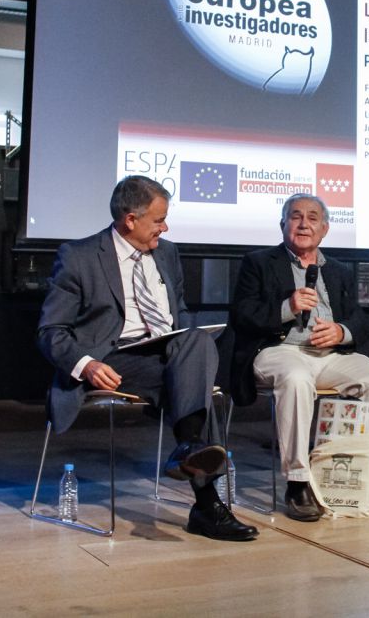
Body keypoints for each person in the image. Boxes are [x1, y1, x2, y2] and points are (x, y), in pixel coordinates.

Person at [37, 176, 257, 541]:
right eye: (159, 220)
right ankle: (206, 504)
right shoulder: (79, 256)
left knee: (197, 341)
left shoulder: (167, 253)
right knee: (195, 378)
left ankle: (190, 448)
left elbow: (179, 313)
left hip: (168, 352)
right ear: (130, 219)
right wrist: (87, 364)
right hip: (114, 358)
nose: (164, 228)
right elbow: (51, 330)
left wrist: (189, 346)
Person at [229, 194, 369, 522]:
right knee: (296, 378)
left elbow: (360, 320)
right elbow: (242, 315)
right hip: (278, 351)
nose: (304, 224)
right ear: (283, 224)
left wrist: (342, 332)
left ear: (325, 229)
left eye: (313, 218)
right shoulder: (259, 262)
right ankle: (298, 481)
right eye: (296, 216)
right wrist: (287, 307)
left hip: (329, 355)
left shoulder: (339, 270)